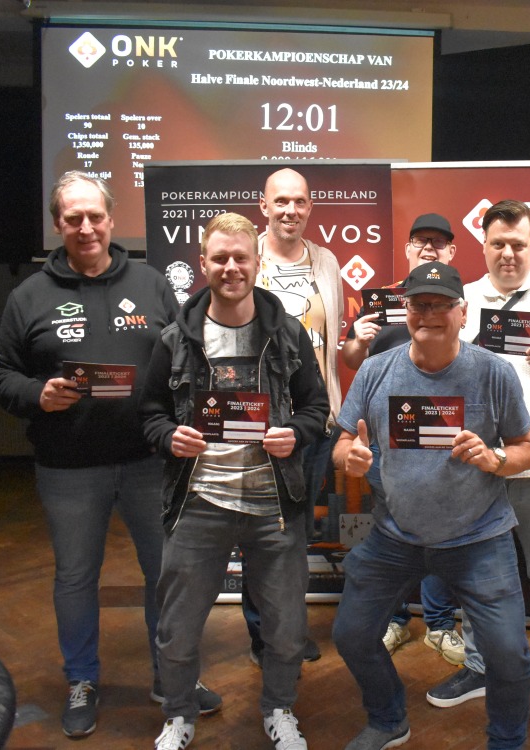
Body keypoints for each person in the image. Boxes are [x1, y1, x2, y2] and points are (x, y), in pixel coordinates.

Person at [0, 171, 220, 738]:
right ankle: (82, 680)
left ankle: (171, 676)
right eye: (74, 218)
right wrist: (38, 395)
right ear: (58, 225)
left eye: (95, 216)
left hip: (149, 461)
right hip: (68, 468)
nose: (86, 227)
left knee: (164, 575)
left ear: (112, 220)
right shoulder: (28, 296)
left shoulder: (151, 283)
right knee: (75, 577)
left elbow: (186, 359)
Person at [140, 212, 329, 750]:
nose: (230, 267)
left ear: (256, 262)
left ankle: (280, 710)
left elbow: (316, 408)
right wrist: (168, 436)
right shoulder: (175, 338)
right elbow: (149, 413)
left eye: (240, 257)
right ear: (203, 263)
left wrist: (295, 433)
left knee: (286, 628)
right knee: (177, 628)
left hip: (274, 503)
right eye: (219, 258)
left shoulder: (288, 333)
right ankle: (179, 715)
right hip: (199, 501)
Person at [331, 262, 530, 750]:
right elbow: (343, 442)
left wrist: (495, 458)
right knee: (352, 634)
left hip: (479, 535)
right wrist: (350, 457)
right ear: (405, 311)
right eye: (419, 304)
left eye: (441, 305)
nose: (429, 314)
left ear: (462, 313)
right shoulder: (376, 370)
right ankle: (388, 719)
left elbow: (528, 448)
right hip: (394, 534)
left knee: (508, 657)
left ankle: (507, 741)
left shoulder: (494, 372)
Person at [426, 199, 530, 731]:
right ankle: (480, 666)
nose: (508, 253)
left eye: (518, 243)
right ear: (484, 245)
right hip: (478, 469)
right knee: (480, 581)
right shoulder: (463, 300)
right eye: (498, 243)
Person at [341, 212, 465, 666]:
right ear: (408, 249)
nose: (429, 247)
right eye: (420, 241)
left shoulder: (460, 299)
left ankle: (438, 624)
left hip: (441, 430)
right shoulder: (380, 299)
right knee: (389, 528)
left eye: (438, 242)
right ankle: (394, 619)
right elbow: (351, 359)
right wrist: (359, 339)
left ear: (452, 251)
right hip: (385, 439)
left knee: (440, 528)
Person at [244, 167, 345, 664]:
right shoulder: (247, 257)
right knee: (260, 534)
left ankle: (290, 628)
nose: (290, 210)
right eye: (281, 201)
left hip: (313, 424)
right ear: (264, 206)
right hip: (258, 427)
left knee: (298, 534)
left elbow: (331, 344)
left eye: (300, 201)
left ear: (309, 207)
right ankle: (263, 635)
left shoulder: (325, 261)